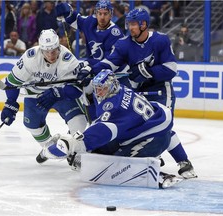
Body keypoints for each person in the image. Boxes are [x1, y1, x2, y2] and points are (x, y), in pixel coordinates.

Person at [86, 8, 197, 179]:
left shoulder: (160, 40)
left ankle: (184, 162)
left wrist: (147, 71)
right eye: (128, 24)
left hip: (161, 90)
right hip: (138, 91)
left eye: (133, 24)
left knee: (162, 125)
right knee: (141, 127)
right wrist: (89, 69)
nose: (130, 28)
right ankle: (150, 155)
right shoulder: (124, 44)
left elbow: (171, 69)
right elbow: (109, 64)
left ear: (143, 24)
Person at [41, 70, 179, 188]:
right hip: (148, 130)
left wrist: (72, 144)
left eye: (103, 88)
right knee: (100, 150)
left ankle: (156, 175)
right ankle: (148, 160)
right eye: (97, 88)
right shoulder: (119, 89)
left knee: (117, 166)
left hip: (153, 139)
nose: (99, 92)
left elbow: (103, 130)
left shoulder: (114, 107)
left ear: (112, 86)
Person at [0, 29, 87, 163]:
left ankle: (73, 149)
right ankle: (49, 146)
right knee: (32, 126)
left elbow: (77, 89)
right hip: (35, 94)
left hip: (61, 94)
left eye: (54, 50)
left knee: (80, 121)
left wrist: (58, 93)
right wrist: (10, 102)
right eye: (47, 51)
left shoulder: (68, 59)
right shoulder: (30, 58)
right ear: (41, 49)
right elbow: (12, 82)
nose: (51, 54)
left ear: (58, 47)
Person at [56, 0, 131, 121]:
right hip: (96, 70)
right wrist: (66, 10)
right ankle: (94, 123)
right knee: (86, 92)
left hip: (116, 76)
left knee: (116, 110)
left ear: (111, 14)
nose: (102, 17)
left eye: (105, 14)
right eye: (99, 13)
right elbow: (74, 19)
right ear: (95, 13)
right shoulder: (90, 22)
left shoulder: (115, 33)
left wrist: (87, 65)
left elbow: (109, 62)